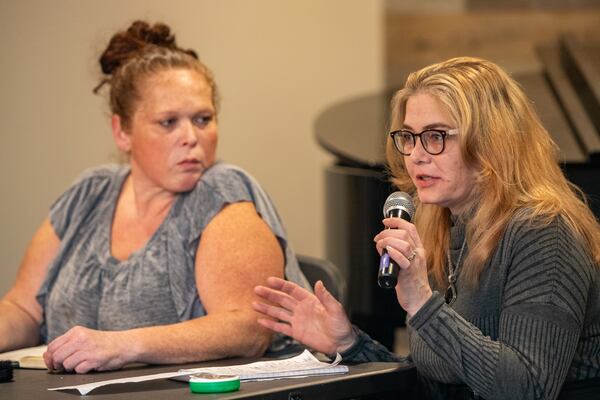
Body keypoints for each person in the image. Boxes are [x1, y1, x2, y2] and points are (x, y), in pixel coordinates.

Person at [253, 57, 600, 399]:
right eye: (408, 136)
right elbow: (437, 383)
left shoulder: (546, 232)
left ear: (492, 142)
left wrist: (422, 302)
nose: (416, 155)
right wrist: (350, 343)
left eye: (435, 136)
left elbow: (528, 388)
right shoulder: (440, 225)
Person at [0, 20, 309, 374]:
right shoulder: (89, 193)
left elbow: (249, 329)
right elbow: (24, 309)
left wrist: (120, 345)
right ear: (122, 131)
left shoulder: (223, 194)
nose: (191, 137)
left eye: (203, 119)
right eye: (168, 122)